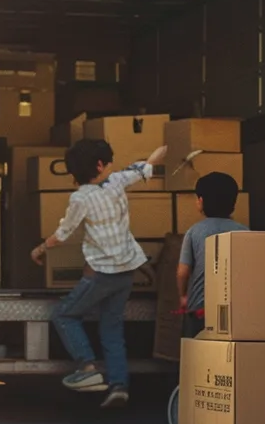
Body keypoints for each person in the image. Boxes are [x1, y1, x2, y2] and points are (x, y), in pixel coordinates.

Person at [30, 138, 168, 409]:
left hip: (101, 274)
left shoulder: (80, 198)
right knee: (111, 327)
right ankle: (119, 385)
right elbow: (150, 163)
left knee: (65, 315)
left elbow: (64, 233)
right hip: (126, 272)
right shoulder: (118, 181)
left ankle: (88, 367)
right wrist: (164, 147)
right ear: (101, 165)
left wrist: (40, 248)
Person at [176, 172, 247, 338]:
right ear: (233, 203)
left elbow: (182, 272)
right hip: (235, 309)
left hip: (200, 310)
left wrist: (183, 296)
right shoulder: (244, 232)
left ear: (200, 202)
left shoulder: (194, 232)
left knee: (195, 354)